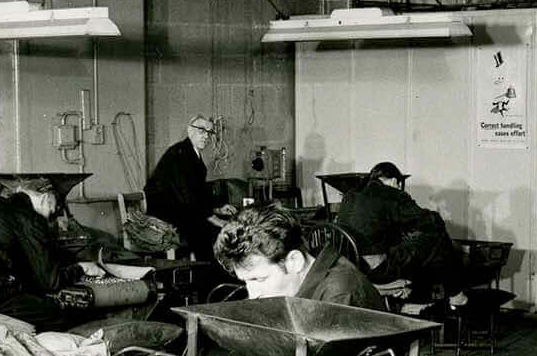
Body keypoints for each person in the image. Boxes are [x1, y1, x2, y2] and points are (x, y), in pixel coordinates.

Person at [0, 175, 87, 331]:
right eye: (53, 210)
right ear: (45, 199)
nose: (53, 216)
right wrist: (81, 268)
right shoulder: (30, 218)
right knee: (61, 315)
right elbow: (50, 282)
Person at [334, 162, 467, 305]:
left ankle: (416, 298)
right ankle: (454, 295)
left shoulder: (350, 194)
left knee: (416, 251)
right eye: (398, 185)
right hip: (379, 271)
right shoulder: (392, 194)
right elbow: (430, 222)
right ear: (394, 181)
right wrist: (434, 214)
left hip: (351, 267)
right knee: (438, 237)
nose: (398, 188)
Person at [214, 206, 382, 309]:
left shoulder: (339, 295)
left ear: (295, 261)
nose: (252, 295)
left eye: (259, 279)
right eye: (246, 281)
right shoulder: (313, 269)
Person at [145, 115, 231, 260]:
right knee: (213, 232)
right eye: (201, 131)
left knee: (216, 229)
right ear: (190, 131)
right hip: (167, 216)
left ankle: (209, 274)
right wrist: (212, 217)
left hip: (181, 211)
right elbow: (185, 193)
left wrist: (216, 208)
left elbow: (198, 192)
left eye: (209, 133)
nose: (206, 137)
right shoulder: (180, 153)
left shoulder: (191, 152)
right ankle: (208, 278)